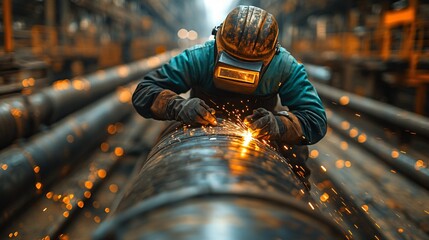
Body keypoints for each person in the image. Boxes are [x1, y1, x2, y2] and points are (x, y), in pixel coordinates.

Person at [132, 5, 327, 190]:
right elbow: (144, 91)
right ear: (217, 42)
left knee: (294, 153)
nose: (239, 72)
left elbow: (315, 120)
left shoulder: (284, 66)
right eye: (232, 62)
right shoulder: (199, 57)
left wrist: (278, 125)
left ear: (271, 55)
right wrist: (177, 107)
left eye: (249, 66)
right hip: (201, 124)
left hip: (260, 132)